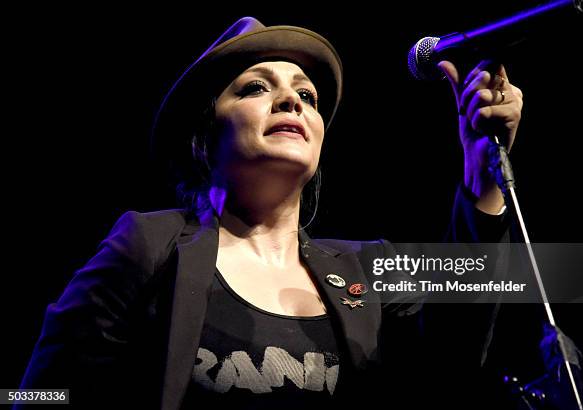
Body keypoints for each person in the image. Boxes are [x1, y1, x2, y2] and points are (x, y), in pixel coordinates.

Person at [16, 16, 523, 409]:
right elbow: (38, 394)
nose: (291, 101)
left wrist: (483, 185)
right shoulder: (148, 245)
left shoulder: (368, 269)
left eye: (307, 94)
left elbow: (456, 362)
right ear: (204, 137)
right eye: (256, 87)